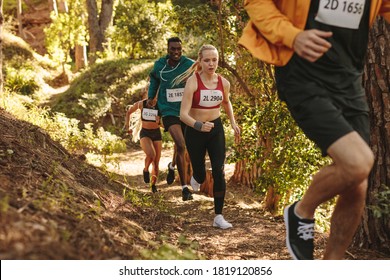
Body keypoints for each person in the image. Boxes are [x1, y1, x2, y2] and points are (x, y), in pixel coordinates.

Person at [239, 0, 390, 259]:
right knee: (358, 163)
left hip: (348, 79)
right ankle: (301, 210)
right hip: (302, 75)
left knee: (357, 182)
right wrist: (293, 36)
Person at [176, 44, 240, 229]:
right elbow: (183, 115)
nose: (211, 64)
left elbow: (227, 103)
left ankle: (218, 216)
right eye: (207, 60)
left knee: (219, 171)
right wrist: (198, 125)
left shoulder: (224, 83)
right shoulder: (193, 81)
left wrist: (233, 122)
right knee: (201, 175)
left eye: (215, 60)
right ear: (200, 62)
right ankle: (197, 175)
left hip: (215, 129)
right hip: (195, 130)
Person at [147, 37, 195, 201]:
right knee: (181, 144)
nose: (176, 52)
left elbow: (201, 77)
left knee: (180, 146)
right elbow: (154, 79)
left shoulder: (189, 64)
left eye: (178, 49)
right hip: (168, 111)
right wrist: (151, 97)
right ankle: (184, 189)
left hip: (186, 111)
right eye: (173, 49)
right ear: (168, 49)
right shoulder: (160, 65)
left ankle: (172, 165)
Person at [124, 95, 162, 193]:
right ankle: (145, 170)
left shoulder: (161, 105)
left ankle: (153, 185)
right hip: (145, 133)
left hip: (157, 133)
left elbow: (164, 124)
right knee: (151, 154)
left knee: (156, 163)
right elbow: (129, 112)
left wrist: (159, 122)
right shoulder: (141, 104)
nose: (154, 97)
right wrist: (128, 126)